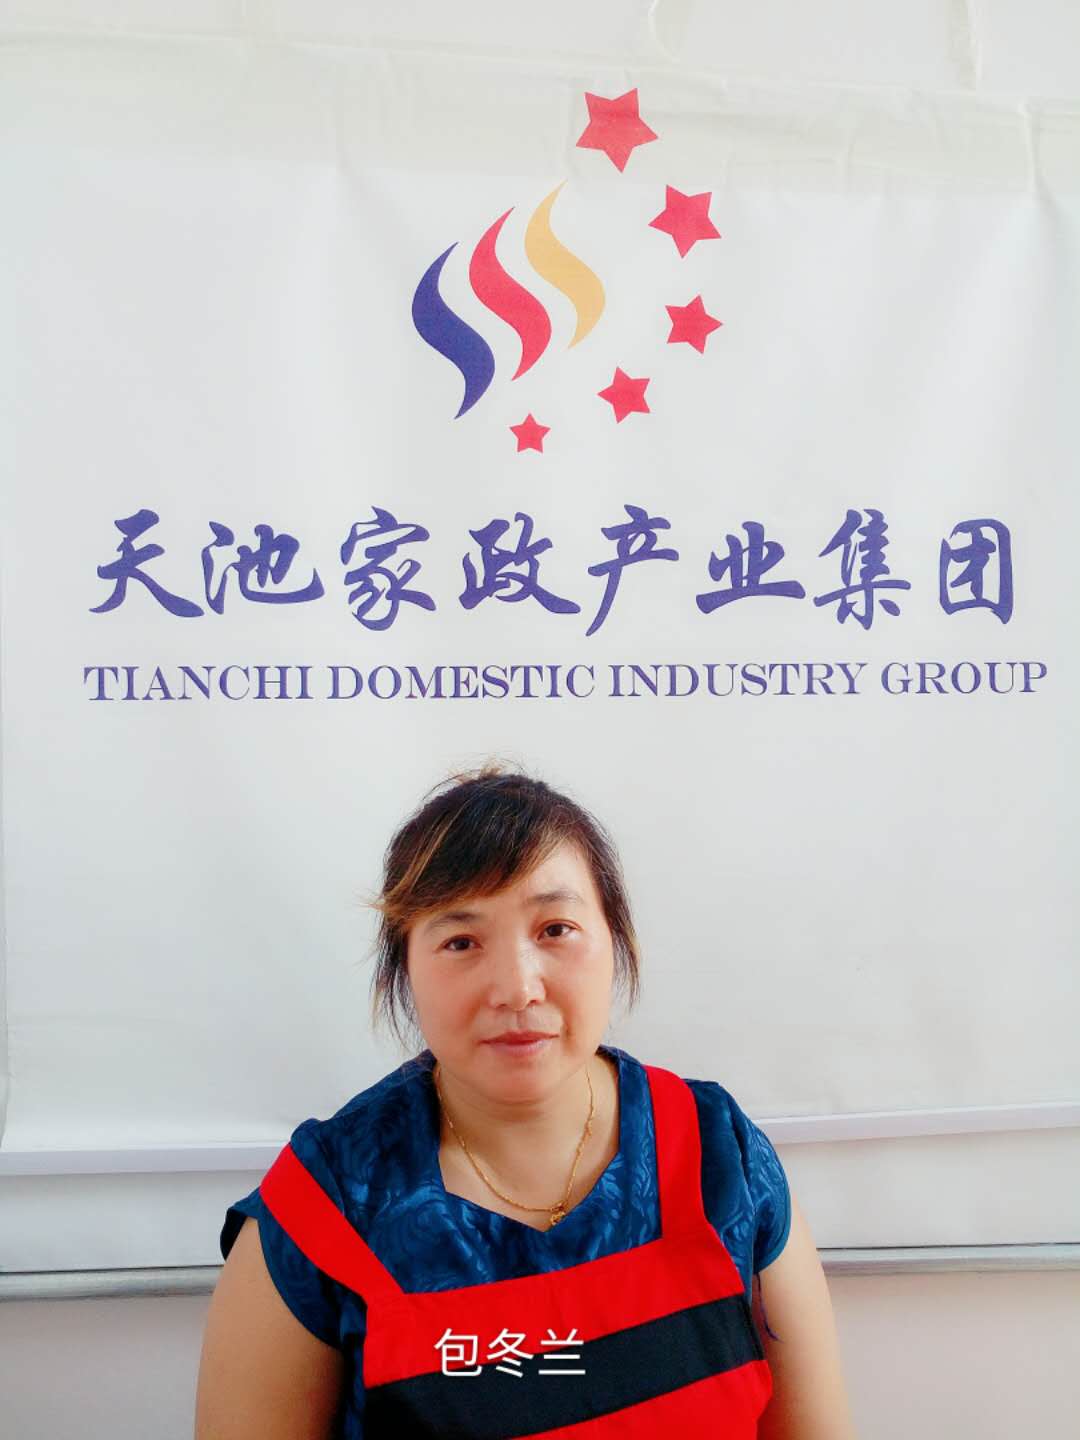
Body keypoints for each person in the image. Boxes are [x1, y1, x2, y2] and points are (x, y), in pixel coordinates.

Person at [194, 762, 857, 1439]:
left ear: (614, 939)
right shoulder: (327, 1208)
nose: (517, 988)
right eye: (461, 942)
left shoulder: (719, 1155)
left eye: (555, 930)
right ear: (405, 969)